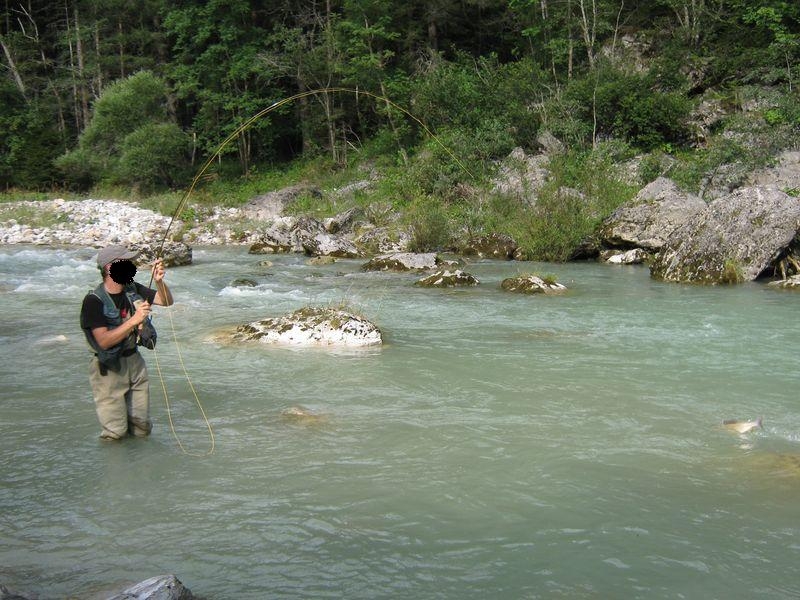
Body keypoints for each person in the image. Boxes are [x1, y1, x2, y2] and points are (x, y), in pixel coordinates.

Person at [80, 245, 174, 440]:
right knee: (115, 433)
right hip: (108, 368)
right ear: (109, 268)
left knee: (142, 429)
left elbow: (166, 301)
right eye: (127, 262)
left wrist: (160, 282)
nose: (132, 266)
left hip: (135, 363)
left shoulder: (133, 288)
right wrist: (134, 320)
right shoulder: (93, 301)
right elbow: (104, 342)